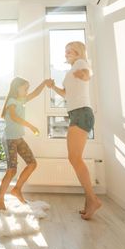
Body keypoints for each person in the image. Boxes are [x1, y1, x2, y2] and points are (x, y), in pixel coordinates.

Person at [49, 41, 102, 220]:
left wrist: (85, 74)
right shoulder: (70, 70)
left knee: (74, 158)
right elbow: (66, 94)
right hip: (77, 113)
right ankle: (89, 202)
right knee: (75, 158)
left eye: (70, 50)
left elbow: (87, 74)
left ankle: (93, 199)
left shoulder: (80, 63)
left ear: (79, 51)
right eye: (65, 51)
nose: (66, 53)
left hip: (81, 113)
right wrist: (53, 87)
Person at [0, 77, 52, 210]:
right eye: (25, 88)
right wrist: (31, 126)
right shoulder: (12, 101)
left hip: (18, 138)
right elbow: (14, 117)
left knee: (32, 164)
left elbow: (36, 93)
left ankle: (17, 189)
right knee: (11, 170)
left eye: (27, 89)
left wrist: (44, 83)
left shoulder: (21, 100)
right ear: (17, 88)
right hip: (9, 139)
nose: (27, 91)